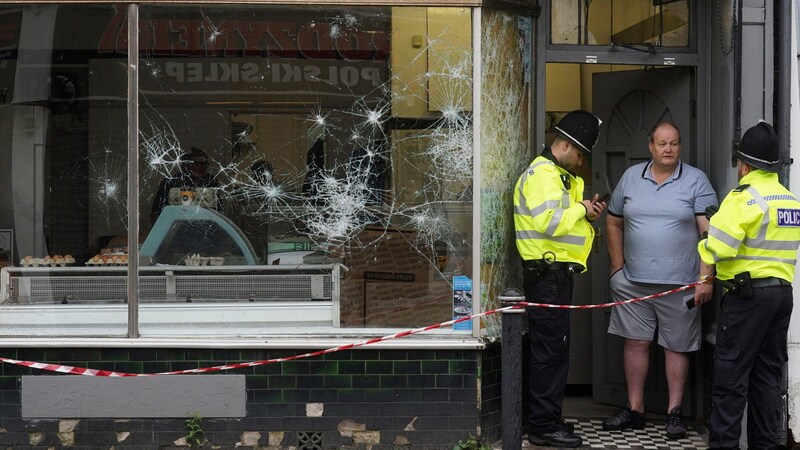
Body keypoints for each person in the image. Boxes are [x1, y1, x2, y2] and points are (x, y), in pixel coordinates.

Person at [602, 122, 717, 439]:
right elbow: (612, 221)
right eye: (663, 143)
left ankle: (674, 414)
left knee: (676, 348)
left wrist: (705, 278)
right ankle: (635, 409)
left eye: (675, 144)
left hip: (680, 286)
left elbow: (710, 233)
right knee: (634, 343)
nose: (669, 149)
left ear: (680, 147)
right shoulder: (630, 178)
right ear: (650, 146)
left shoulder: (696, 181)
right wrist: (616, 267)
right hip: (633, 283)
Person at [698, 121, 800, 450]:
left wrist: (706, 237)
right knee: (767, 378)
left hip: (747, 298)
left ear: (743, 165)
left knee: (730, 379)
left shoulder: (742, 199)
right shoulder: (789, 200)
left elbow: (720, 247)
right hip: (781, 296)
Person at [513, 109, 605, 448]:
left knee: (554, 352)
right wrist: (581, 209)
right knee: (549, 352)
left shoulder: (557, 176)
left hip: (556, 276)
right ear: (565, 145)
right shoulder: (542, 175)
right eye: (580, 153)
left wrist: (585, 212)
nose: (581, 161)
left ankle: (548, 419)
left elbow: (559, 224)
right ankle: (541, 426)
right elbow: (549, 224)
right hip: (546, 276)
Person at [150, 147, 220, 224]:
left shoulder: (210, 181)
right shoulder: (171, 182)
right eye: (197, 164)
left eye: (204, 164)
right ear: (186, 165)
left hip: (205, 227)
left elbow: (218, 211)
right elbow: (156, 214)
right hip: (177, 228)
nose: (202, 167)